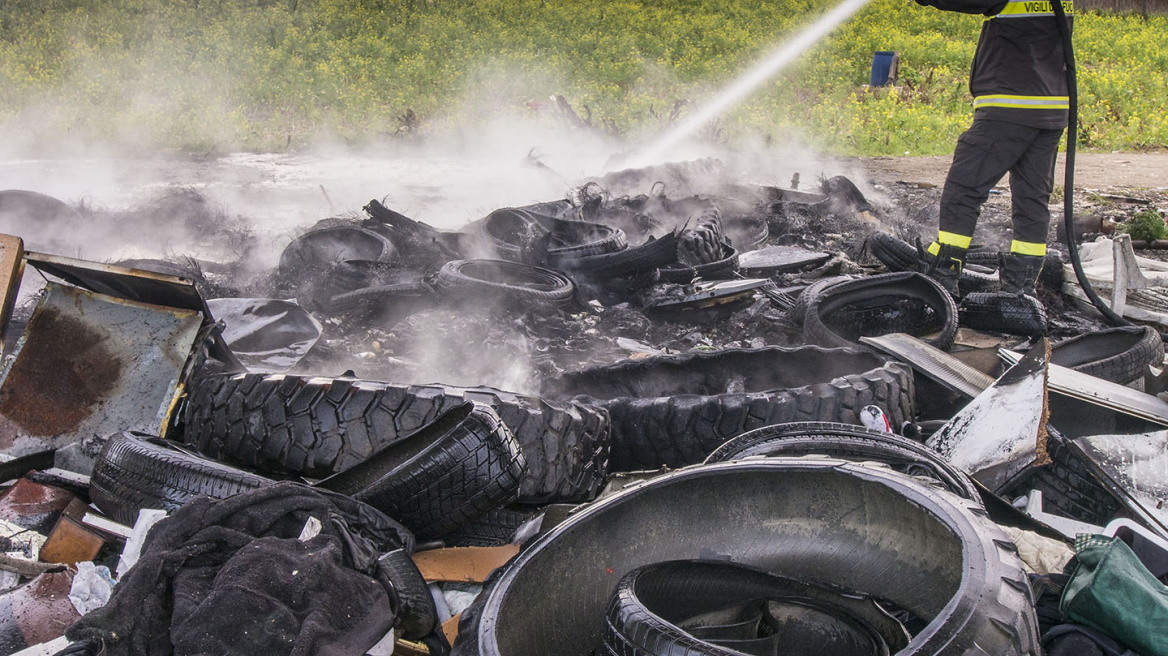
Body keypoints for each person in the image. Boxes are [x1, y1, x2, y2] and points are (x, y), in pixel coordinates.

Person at [914, 0, 1072, 298]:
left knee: (964, 189)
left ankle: (940, 280)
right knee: (1032, 199)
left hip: (1009, 107)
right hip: (1050, 109)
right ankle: (1020, 292)